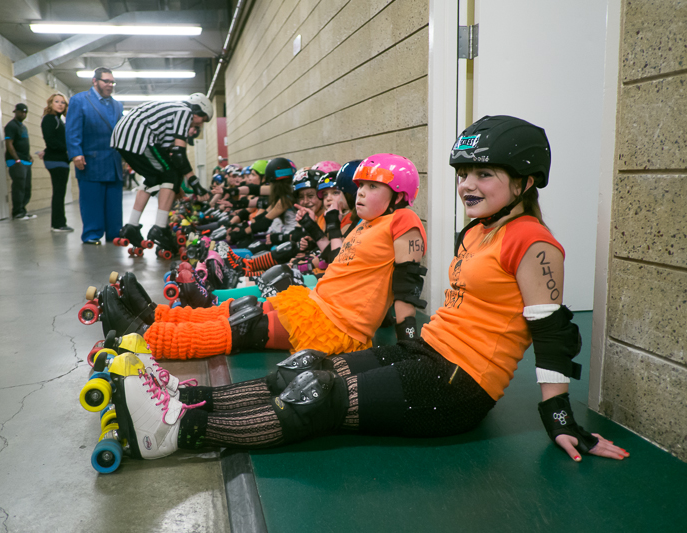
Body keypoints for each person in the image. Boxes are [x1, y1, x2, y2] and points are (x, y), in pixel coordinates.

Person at [104, 116, 631, 465]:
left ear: (524, 182)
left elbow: (553, 334)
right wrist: (408, 336)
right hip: (426, 354)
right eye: (465, 173)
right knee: (304, 369)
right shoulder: (478, 230)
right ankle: (183, 397)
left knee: (318, 399)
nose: (469, 185)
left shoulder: (535, 243)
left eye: (485, 175)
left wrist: (559, 417)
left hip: (460, 386)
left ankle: (175, 432)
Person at [136, 153, 426, 358]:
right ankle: (153, 316)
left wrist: (409, 345)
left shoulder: (403, 221)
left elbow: (405, 287)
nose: (360, 193)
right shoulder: (367, 223)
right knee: (241, 309)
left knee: (245, 327)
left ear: (399, 196)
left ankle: (150, 341)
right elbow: (338, 262)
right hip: (316, 305)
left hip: (337, 326)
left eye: (372, 187)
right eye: (361, 186)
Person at [110, 94, 213, 251]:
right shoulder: (184, 111)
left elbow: (171, 155)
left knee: (155, 177)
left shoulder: (174, 111)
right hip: (137, 136)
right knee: (171, 175)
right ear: (198, 110)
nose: (199, 124)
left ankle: (131, 225)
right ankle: (160, 228)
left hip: (125, 136)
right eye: (203, 120)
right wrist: (195, 184)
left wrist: (179, 191)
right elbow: (179, 155)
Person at [65, 67, 124, 244]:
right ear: (95, 81)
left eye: (112, 82)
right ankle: (92, 234)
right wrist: (76, 153)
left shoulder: (117, 105)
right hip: (90, 160)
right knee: (92, 200)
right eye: (106, 81)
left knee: (114, 202)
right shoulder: (80, 100)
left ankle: (115, 233)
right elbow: (72, 129)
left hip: (113, 160)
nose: (110, 85)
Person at [40, 93, 73, 232]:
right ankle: (58, 224)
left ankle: (59, 222)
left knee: (60, 192)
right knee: (59, 193)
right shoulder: (49, 119)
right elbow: (50, 140)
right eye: (56, 101)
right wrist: (67, 150)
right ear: (50, 104)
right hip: (56, 161)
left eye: (63, 102)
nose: (60, 104)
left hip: (59, 160)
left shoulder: (58, 120)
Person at [5, 103, 35, 220]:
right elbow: (9, 144)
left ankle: (22, 210)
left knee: (27, 187)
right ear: (15, 112)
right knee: (19, 187)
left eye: (25, 112)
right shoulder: (11, 126)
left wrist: (28, 155)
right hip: (16, 161)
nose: (23, 114)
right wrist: (17, 158)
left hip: (25, 160)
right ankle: (17, 212)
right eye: (21, 112)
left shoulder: (23, 127)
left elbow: (23, 143)